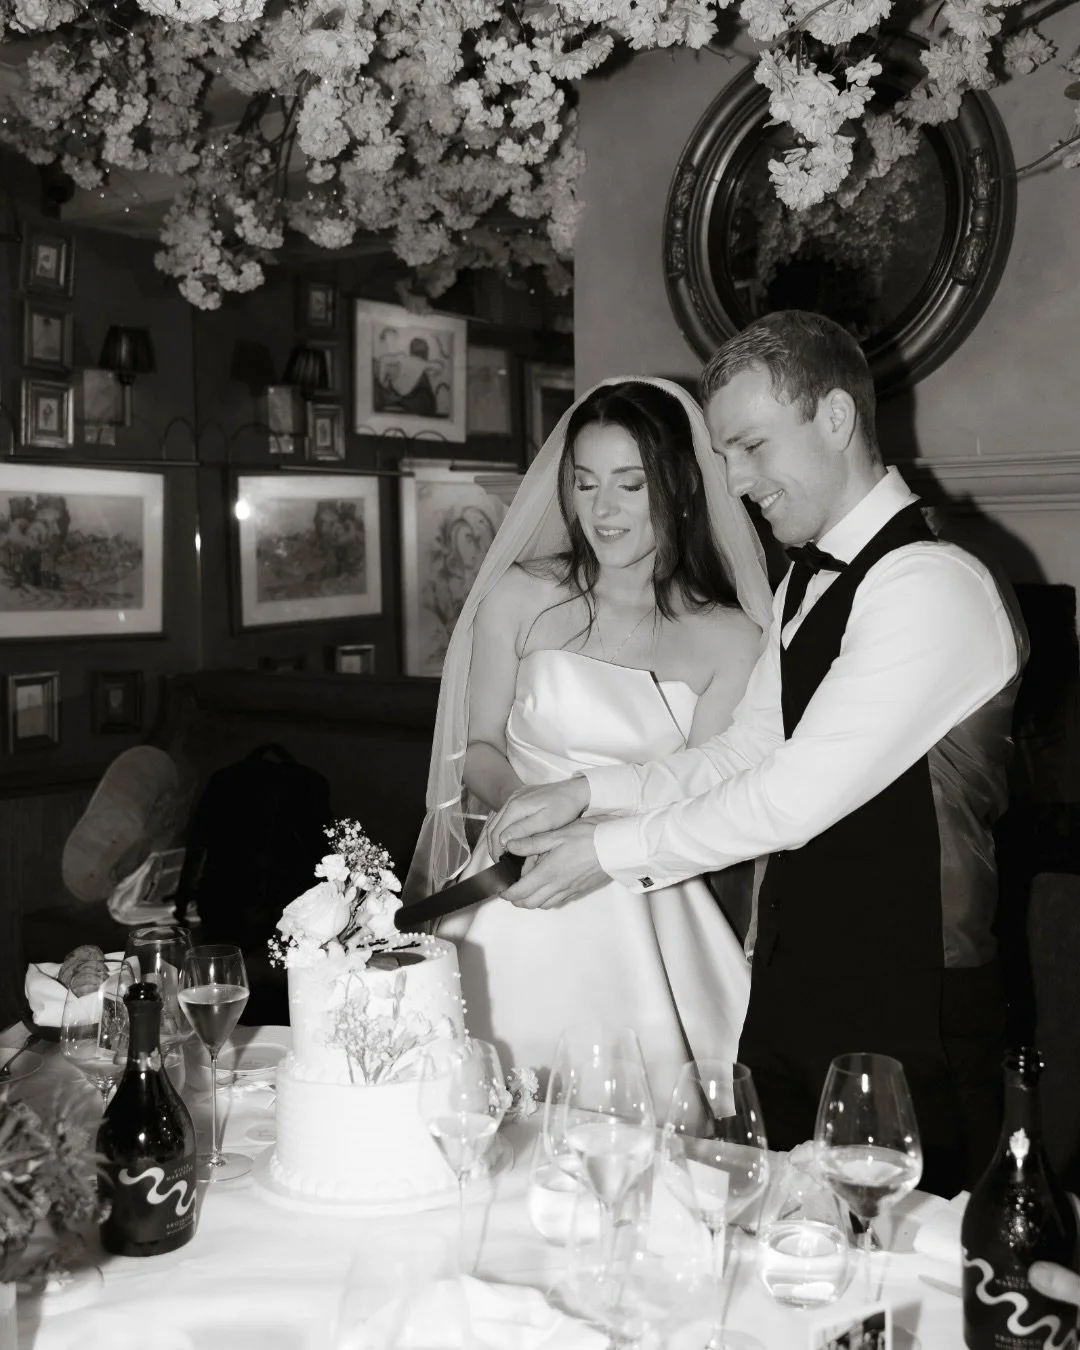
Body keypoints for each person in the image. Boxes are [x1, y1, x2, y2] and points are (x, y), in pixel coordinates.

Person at [483, 312, 1025, 1197]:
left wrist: (606, 853)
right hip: (796, 981)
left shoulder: (933, 585)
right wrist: (588, 792)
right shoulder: (806, 578)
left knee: (895, 1287)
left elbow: (791, 799)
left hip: (907, 997)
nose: (733, 481)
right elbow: (747, 748)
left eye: (749, 447)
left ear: (839, 420)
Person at [405, 377, 774, 1107]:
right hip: (516, 873)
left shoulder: (733, 640)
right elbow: (478, 748)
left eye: (630, 484)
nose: (602, 509)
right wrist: (531, 815)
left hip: (644, 892)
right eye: (585, 483)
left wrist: (595, 840)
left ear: (683, 488)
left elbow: (709, 789)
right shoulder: (518, 596)